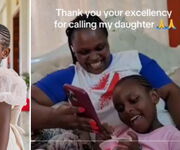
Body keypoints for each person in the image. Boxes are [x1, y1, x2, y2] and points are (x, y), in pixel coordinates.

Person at [31, 14, 180, 147]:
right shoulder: (69, 77)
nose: (94, 57)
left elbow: (172, 92)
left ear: (107, 41)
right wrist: (53, 118)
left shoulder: (135, 60)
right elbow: (26, 102)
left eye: (100, 48)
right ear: (73, 49)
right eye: (84, 52)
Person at [99, 75, 180, 150]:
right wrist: (105, 141)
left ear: (153, 97)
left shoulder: (172, 137)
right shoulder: (121, 137)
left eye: (133, 100)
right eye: (120, 109)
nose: (127, 110)